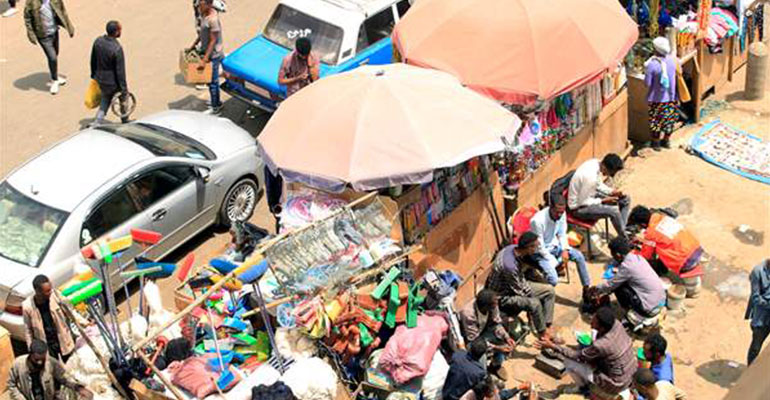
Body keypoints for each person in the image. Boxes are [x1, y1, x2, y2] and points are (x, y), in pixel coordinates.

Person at [537, 307, 637, 398]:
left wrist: (552, 346)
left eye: (594, 321)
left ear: (602, 327)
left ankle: (583, 388)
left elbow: (576, 356)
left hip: (614, 385)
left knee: (569, 362)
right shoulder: (616, 325)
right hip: (628, 375)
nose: (591, 321)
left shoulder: (602, 345)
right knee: (592, 339)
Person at [485, 232, 556, 341]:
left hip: (515, 284)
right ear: (529, 247)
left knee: (549, 291)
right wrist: (535, 295)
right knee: (534, 303)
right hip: (502, 296)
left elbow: (521, 280)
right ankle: (543, 334)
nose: (536, 249)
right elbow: (520, 290)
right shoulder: (510, 266)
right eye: (535, 246)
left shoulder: (513, 248)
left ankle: (547, 325)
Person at [589, 238, 666, 318]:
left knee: (618, 287)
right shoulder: (638, 258)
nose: (612, 256)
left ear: (618, 254)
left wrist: (596, 289)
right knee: (625, 281)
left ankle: (630, 313)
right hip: (661, 300)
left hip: (649, 309)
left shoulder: (627, 266)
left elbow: (611, 284)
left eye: (613, 254)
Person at [529, 194, 590, 288]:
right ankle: (543, 293)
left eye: (562, 212)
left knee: (579, 256)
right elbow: (539, 246)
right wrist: (556, 262)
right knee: (553, 280)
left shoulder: (562, 214)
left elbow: (562, 234)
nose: (560, 215)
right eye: (557, 212)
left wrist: (565, 249)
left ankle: (586, 289)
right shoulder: (537, 221)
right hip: (541, 253)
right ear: (550, 207)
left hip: (555, 246)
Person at [568, 154, 631, 240]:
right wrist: (603, 201)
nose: (609, 175)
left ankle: (622, 230)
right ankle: (625, 239)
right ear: (605, 167)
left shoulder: (596, 163)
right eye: (610, 173)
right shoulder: (590, 178)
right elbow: (582, 202)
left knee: (625, 200)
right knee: (614, 212)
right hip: (578, 209)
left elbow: (598, 184)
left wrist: (611, 191)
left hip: (589, 195)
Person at [628, 206, 703, 278]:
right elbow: (663, 238)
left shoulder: (651, 233)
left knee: (649, 265)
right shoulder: (662, 217)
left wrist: (633, 251)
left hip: (685, 262)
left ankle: (661, 271)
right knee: (663, 248)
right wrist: (641, 240)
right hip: (696, 248)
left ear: (643, 224)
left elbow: (646, 256)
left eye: (639, 226)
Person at [7, 339, 93, 400]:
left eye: (42, 359)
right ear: (30, 355)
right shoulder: (18, 364)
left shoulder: (51, 363)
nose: (40, 363)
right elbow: (11, 384)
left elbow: (64, 378)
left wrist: (78, 388)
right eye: (37, 360)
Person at [458, 289, 516, 380]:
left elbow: (496, 323)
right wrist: (496, 347)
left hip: (483, 331)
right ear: (486, 307)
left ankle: (495, 366)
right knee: (481, 354)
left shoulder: (493, 305)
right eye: (494, 305)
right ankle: (482, 375)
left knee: (502, 340)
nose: (496, 306)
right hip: (470, 339)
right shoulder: (468, 313)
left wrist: (507, 337)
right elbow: (474, 339)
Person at [23, 0, 74, 95]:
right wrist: (31, 34)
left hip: (54, 31)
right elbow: (27, 18)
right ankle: (54, 80)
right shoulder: (31, 2)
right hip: (43, 35)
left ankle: (55, 75)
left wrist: (69, 27)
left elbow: (62, 11)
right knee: (52, 57)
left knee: (56, 53)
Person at [22, 275, 75, 363]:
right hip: (46, 344)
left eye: (50, 289)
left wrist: (84, 322)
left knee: (72, 364)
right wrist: (32, 349)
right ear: (38, 291)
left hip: (62, 339)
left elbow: (70, 312)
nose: (50, 292)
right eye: (47, 291)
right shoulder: (27, 307)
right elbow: (28, 330)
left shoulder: (56, 296)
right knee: (53, 369)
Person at [90, 20, 129, 125]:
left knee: (105, 100)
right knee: (123, 100)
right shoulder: (117, 49)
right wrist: (124, 89)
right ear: (116, 32)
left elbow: (93, 60)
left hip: (100, 79)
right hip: (113, 83)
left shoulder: (98, 41)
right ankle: (125, 121)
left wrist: (93, 75)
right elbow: (120, 73)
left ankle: (97, 122)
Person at [644, 37, 678, 151]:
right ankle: (666, 141)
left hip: (656, 100)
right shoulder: (673, 60)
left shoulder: (652, 65)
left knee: (655, 122)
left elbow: (647, 83)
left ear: (655, 49)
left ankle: (656, 143)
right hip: (671, 97)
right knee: (669, 120)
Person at [195, 0, 224, 113]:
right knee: (209, 79)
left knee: (213, 82)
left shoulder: (213, 20)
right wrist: (194, 44)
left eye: (201, 5)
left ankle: (216, 107)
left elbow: (213, 41)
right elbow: (202, 32)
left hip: (213, 55)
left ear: (209, 4)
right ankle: (215, 101)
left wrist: (205, 59)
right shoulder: (204, 14)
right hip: (206, 51)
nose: (199, 7)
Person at [745, 259, 770, 365]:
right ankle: (749, 372)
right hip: (762, 317)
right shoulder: (758, 271)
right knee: (756, 347)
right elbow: (756, 298)